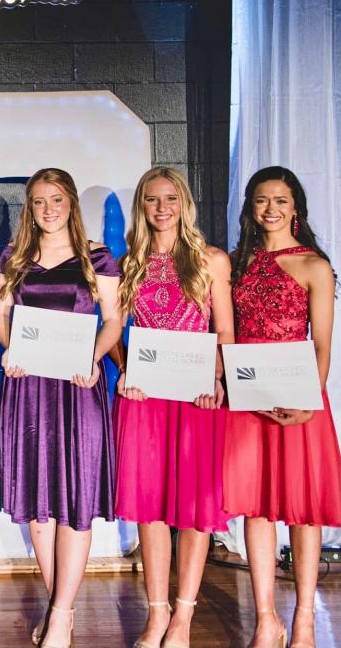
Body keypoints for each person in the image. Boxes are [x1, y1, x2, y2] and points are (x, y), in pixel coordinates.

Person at [0, 168, 121, 648]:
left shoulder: (97, 258)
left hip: (77, 385)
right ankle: (60, 610)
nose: (48, 209)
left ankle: (60, 614)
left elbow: (113, 319)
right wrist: (10, 348)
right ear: (30, 207)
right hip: (29, 387)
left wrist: (95, 357)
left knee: (75, 501)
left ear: (71, 204)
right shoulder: (13, 257)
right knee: (38, 506)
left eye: (57, 200)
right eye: (40, 201)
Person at [114, 167, 233, 648]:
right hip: (147, 397)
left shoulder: (211, 261)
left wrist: (216, 376)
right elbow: (112, 329)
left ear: (184, 203)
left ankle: (183, 616)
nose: (162, 208)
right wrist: (126, 370)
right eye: (151, 200)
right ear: (141, 207)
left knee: (194, 507)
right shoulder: (130, 263)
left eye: (170, 199)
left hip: (195, 396)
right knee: (149, 506)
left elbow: (224, 329)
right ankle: (156, 613)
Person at [224, 166, 341, 648]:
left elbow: (321, 346)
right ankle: (266, 619)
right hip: (249, 398)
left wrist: (304, 398)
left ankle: (306, 622)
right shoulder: (237, 263)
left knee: (303, 511)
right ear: (251, 207)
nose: (270, 209)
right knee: (257, 507)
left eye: (280, 200)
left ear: (296, 208)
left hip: (299, 403)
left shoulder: (315, 265)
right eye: (261, 200)